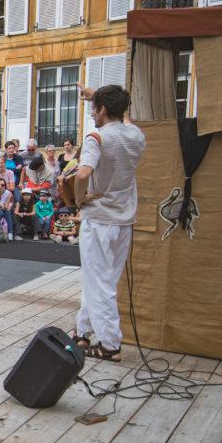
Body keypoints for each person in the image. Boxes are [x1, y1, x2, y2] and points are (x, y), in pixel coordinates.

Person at [73, 84, 146, 362]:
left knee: (99, 282)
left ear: (102, 110)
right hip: (124, 220)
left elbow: (82, 175)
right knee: (103, 279)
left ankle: (110, 344)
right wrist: (98, 96)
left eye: (94, 108)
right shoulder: (136, 136)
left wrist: (80, 201)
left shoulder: (97, 137)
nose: (92, 113)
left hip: (99, 218)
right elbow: (125, 121)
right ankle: (83, 330)